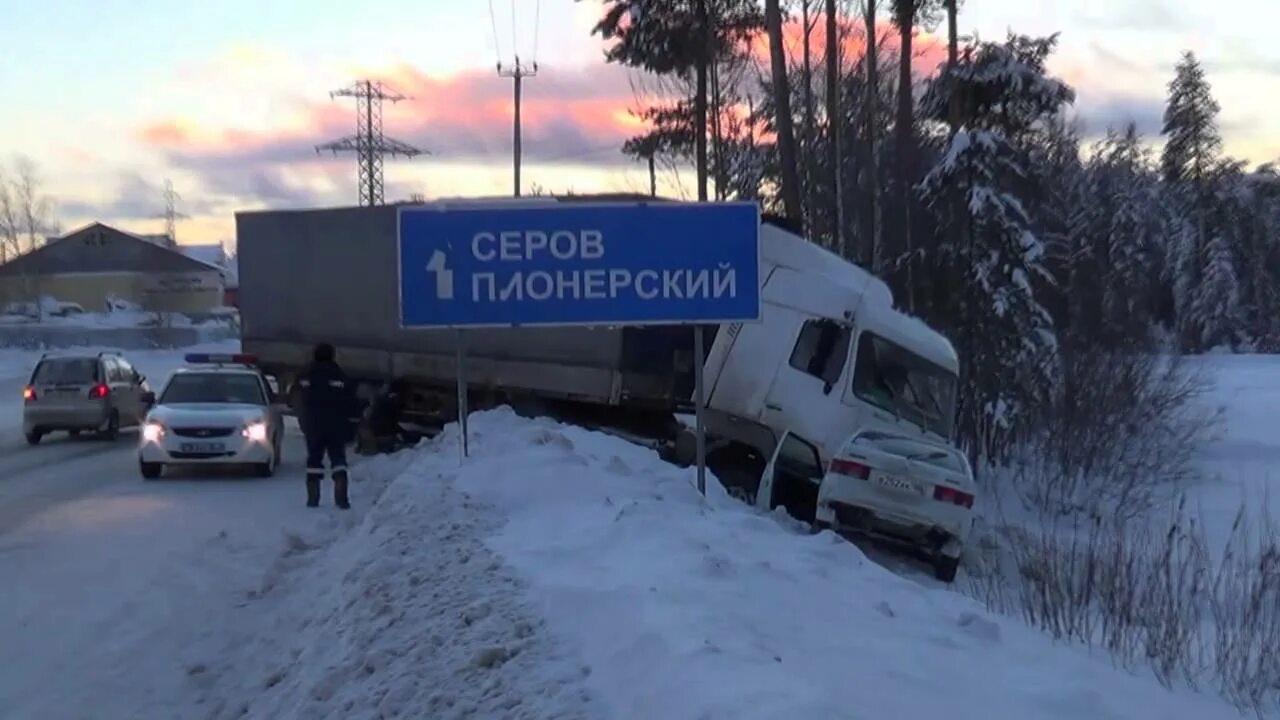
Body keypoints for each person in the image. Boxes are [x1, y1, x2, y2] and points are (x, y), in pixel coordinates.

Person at [298, 342, 357, 509]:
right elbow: (350, 398)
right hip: (336, 423)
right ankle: (341, 497)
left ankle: (313, 498)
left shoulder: (306, 375)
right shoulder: (339, 375)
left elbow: (298, 396)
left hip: (314, 423)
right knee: (338, 458)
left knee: (314, 459)